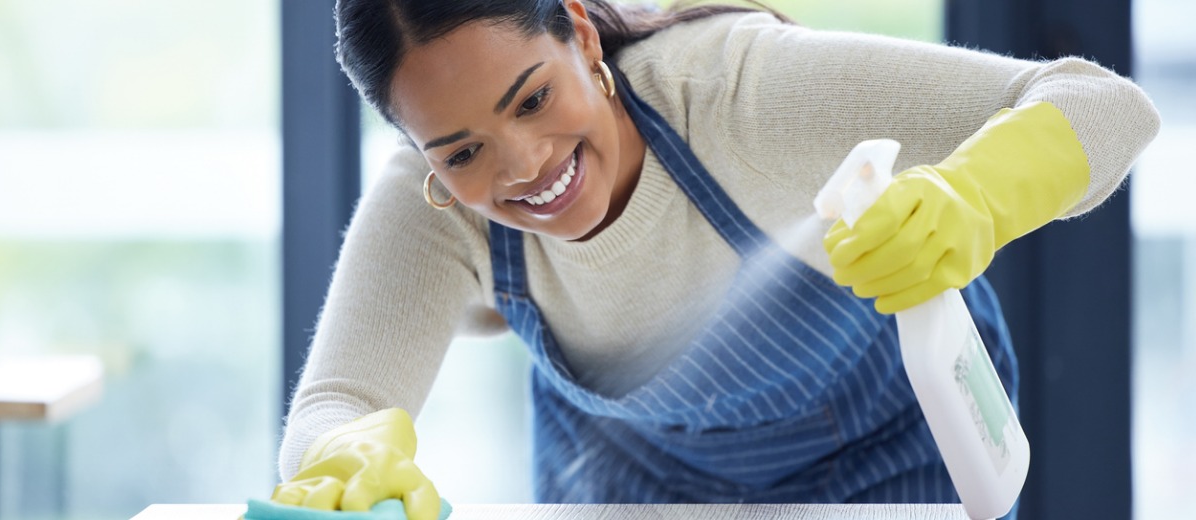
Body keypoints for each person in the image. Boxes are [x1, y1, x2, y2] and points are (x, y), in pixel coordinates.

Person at [271, 1, 1160, 519]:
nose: (521, 165)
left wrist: (979, 195)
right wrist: (338, 456)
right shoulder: (429, 206)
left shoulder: (732, 91)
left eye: (534, 98)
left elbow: (1105, 105)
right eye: (459, 152)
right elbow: (340, 399)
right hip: (625, 482)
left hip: (885, 463)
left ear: (581, 33)